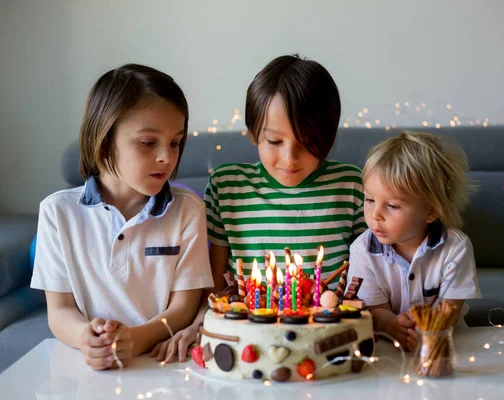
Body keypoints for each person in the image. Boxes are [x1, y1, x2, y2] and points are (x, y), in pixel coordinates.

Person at [153, 54, 367, 362]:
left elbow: (371, 266)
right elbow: (214, 283)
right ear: (253, 132)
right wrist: (201, 324)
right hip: (245, 340)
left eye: (307, 143)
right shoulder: (228, 187)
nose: (290, 158)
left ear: (329, 137)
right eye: (274, 141)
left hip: (328, 341)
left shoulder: (352, 184)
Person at [31, 64, 214, 370]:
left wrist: (137, 339)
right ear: (103, 139)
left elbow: (183, 307)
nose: (166, 157)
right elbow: (59, 311)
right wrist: (85, 338)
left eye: (175, 142)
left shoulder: (188, 210)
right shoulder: (57, 212)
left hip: (163, 365)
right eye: (147, 143)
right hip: (90, 372)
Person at [347, 131, 482, 351]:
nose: (375, 215)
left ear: (431, 211)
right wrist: (391, 324)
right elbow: (374, 308)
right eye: (370, 199)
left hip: (449, 346)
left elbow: (451, 307)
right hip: (390, 348)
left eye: (392, 206)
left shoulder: (455, 247)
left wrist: (428, 331)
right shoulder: (362, 250)